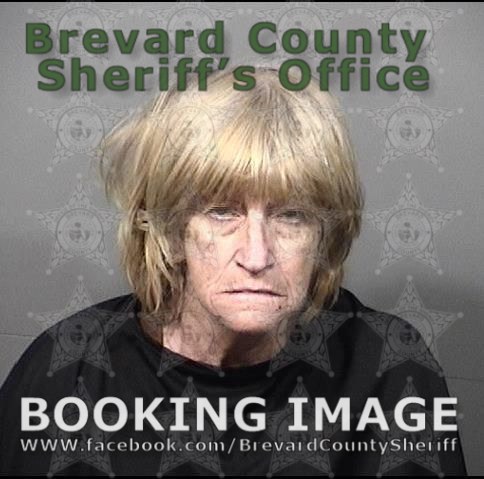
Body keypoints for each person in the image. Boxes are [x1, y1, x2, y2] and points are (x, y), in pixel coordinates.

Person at [0, 67, 467, 476]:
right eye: (222, 212)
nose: (257, 256)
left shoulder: (391, 370)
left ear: (325, 236)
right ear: (170, 230)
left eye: (292, 216)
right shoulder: (68, 370)